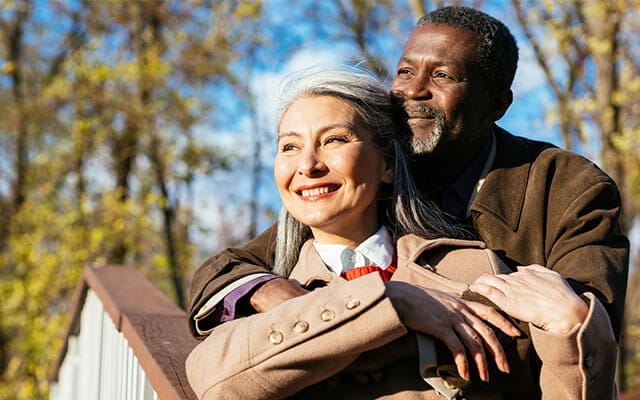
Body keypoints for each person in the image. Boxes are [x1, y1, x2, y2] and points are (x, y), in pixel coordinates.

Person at [189, 5, 628, 397]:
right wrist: (277, 293)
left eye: (442, 76)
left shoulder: (565, 185)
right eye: (404, 72)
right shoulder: (362, 179)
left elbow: (579, 330)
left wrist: (369, 337)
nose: (412, 91)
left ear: (497, 103)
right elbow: (231, 269)